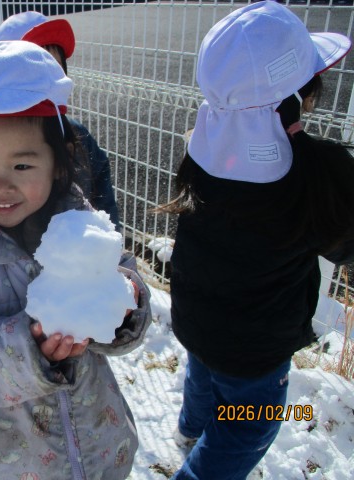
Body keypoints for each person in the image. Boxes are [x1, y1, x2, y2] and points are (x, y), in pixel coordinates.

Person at [0, 40, 152, 480]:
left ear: (58, 164)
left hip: (95, 443)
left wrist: (123, 302)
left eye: (22, 166)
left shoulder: (82, 225)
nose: (1, 185)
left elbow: (122, 289)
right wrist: (30, 347)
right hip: (1, 459)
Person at [158, 2, 354, 479]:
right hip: (256, 344)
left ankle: (190, 430)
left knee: (204, 373)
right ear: (300, 94)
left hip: (196, 314)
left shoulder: (205, 144)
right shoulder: (317, 171)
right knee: (248, 425)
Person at [0, 11, 120, 230]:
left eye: (55, 69)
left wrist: (109, 235)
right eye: (34, 71)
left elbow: (102, 191)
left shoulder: (76, 134)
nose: (48, 82)